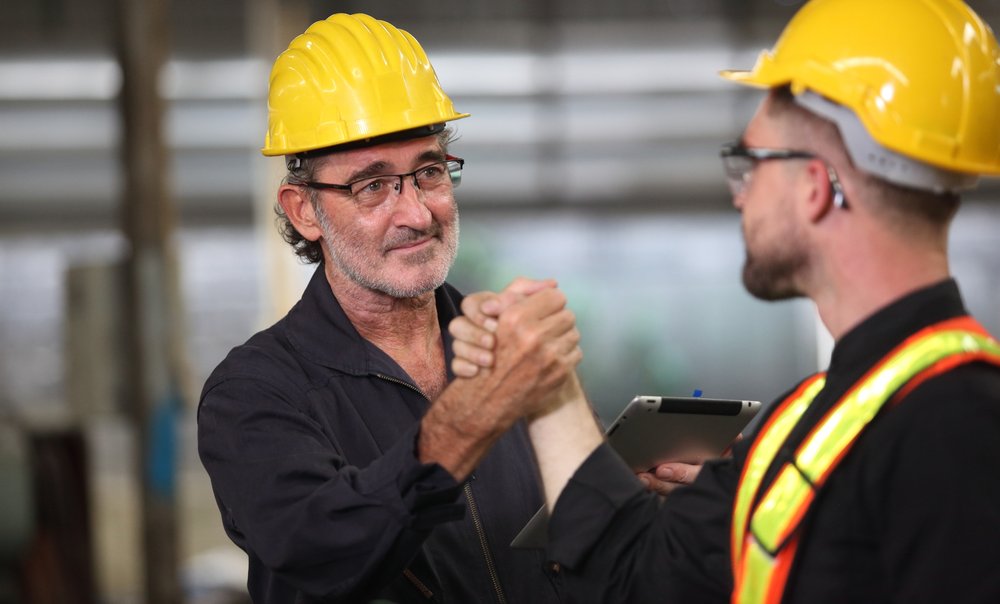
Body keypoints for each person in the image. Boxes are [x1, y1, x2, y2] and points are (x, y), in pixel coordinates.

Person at [448, 0, 1000, 601]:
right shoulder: (817, 418)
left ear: (814, 187)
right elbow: (636, 572)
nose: (739, 196)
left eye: (749, 163)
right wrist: (546, 379)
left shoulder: (955, 428)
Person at [195, 13, 589, 603]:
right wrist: (468, 420)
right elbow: (320, 556)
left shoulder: (502, 345)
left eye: (428, 172)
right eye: (373, 186)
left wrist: (621, 499)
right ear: (304, 211)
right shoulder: (255, 393)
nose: (417, 213)